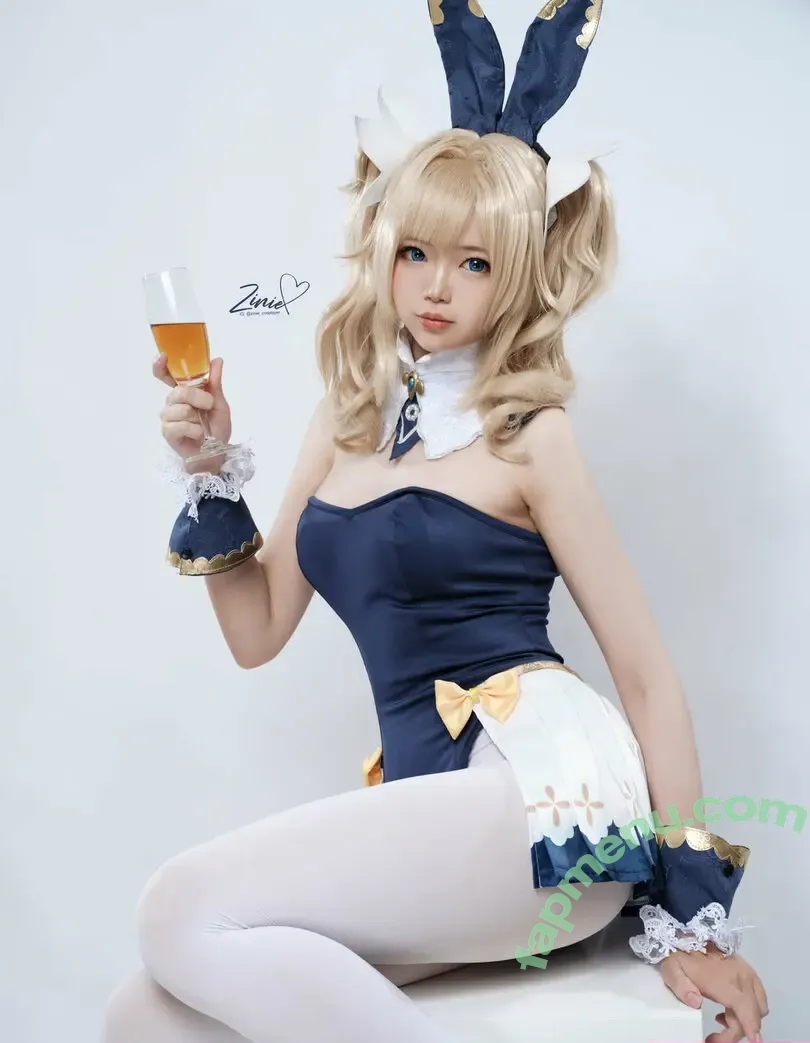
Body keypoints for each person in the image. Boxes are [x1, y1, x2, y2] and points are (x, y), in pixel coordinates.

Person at [103, 3, 768, 1041]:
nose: (436, 288)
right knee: (149, 1010)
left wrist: (692, 919)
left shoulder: (530, 433)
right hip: (436, 809)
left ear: (520, 273)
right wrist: (208, 471)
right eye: (415, 252)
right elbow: (256, 629)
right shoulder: (344, 417)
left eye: (476, 262)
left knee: (176, 907)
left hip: (548, 799)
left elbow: (645, 676)